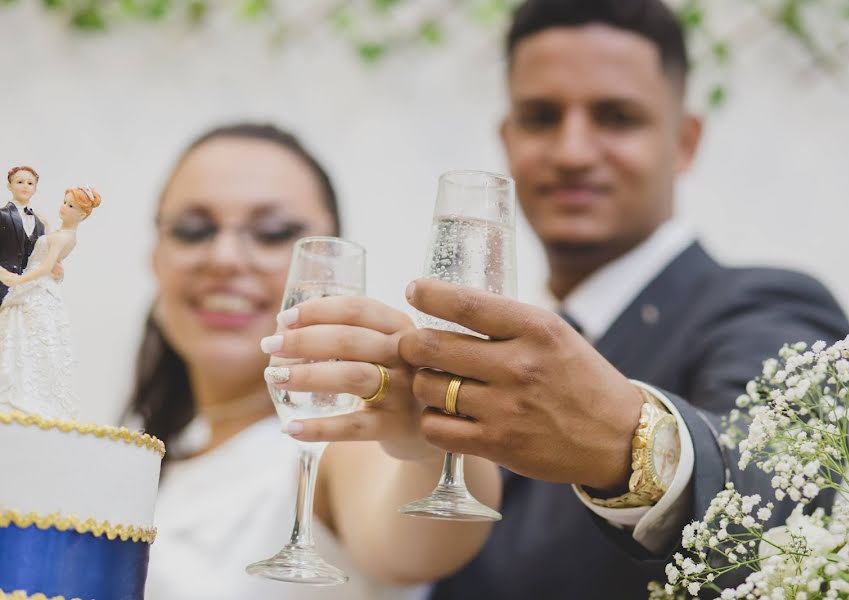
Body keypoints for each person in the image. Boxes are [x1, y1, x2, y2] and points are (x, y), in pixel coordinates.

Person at [270, 1, 849, 597]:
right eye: (541, 116)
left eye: (617, 117)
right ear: (508, 138)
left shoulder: (767, 307)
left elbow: (778, 499)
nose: (573, 151)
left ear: (684, 140)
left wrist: (630, 442)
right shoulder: (470, 351)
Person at [127, 123, 500, 600]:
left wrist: (425, 443)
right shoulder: (159, 460)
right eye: (193, 230)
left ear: (328, 268)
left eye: (272, 233)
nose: (223, 258)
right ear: (155, 257)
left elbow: (418, 545)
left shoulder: (339, 440)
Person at [0, 186, 102, 420]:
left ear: (82, 215)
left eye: (71, 206)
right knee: (24, 334)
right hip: (38, 285)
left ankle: (23, 390)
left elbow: (46, 266)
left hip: (35, 285)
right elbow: (51, 258)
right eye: (65, 203)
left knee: (28, 334)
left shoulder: (64, 237)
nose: (64, 208)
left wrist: (18, 279)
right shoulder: (60, 232)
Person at [1, 166, 47, 306]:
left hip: (26, 292)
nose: (25, 186)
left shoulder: (40, 223)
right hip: (2, 285)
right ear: (9, 185)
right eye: (20, 182)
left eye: (30, 183)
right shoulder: (2, 215)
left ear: (35, 189)